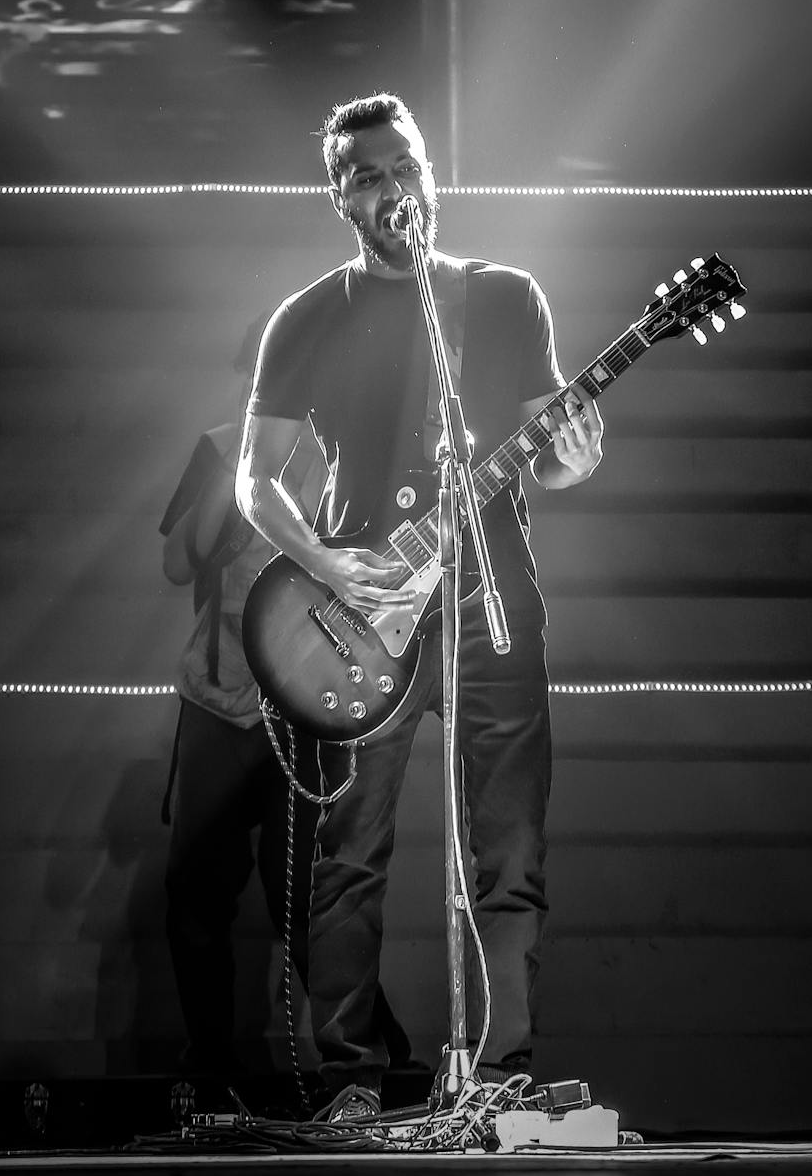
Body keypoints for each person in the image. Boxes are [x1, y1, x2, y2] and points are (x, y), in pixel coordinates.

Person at [235, 91, 603, 1122]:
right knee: (351, 852)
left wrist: (576, 455)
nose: (393, 186)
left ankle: (502, 1072)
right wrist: (326, 562)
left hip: (494, 601)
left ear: (430, 175)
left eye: (405, 166)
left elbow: (548, 451)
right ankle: (349, 1075)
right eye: (368, 175)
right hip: (364, 614)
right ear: (339, 197)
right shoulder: (309, 316)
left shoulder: (503, 298)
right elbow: (255, 481)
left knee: (510, 851)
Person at [160, 328, 410, 1082]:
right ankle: (211, 1070)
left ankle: (377, 1062)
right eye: (258, 374)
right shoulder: (221, 446)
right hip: (218, 700)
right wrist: (234, 472)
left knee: (304, 899)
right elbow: (177, 564)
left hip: (302, 705)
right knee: (195, 892)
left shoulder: (343, 457)